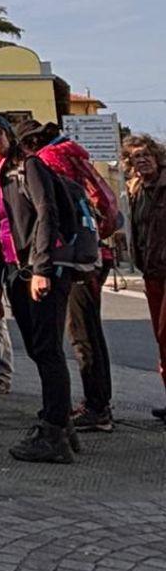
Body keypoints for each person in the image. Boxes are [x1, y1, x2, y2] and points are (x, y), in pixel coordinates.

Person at [0, 113, 75, 463]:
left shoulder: (28, 166)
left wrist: (42, 269)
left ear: (8, 134)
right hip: (17, 271)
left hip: (42, 268)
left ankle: (54, 432)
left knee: (47, 348)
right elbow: (1, 231)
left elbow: (47, 213)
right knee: (37, 348)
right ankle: (60, 422)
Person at [20, 120, 115, 432]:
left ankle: (96, 407)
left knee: (81, 333)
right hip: (94, 253)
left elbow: (54, 212)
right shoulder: (74, 156)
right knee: (90, 331)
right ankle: (99, 403)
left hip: (74, 258)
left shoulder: (47, 161)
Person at [123, 133, 166, 422]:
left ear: (157, 156)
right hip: (152, 273)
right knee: (162, 341)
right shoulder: (137, 191)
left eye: (146, 155)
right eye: (136, 157)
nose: (142, 160)